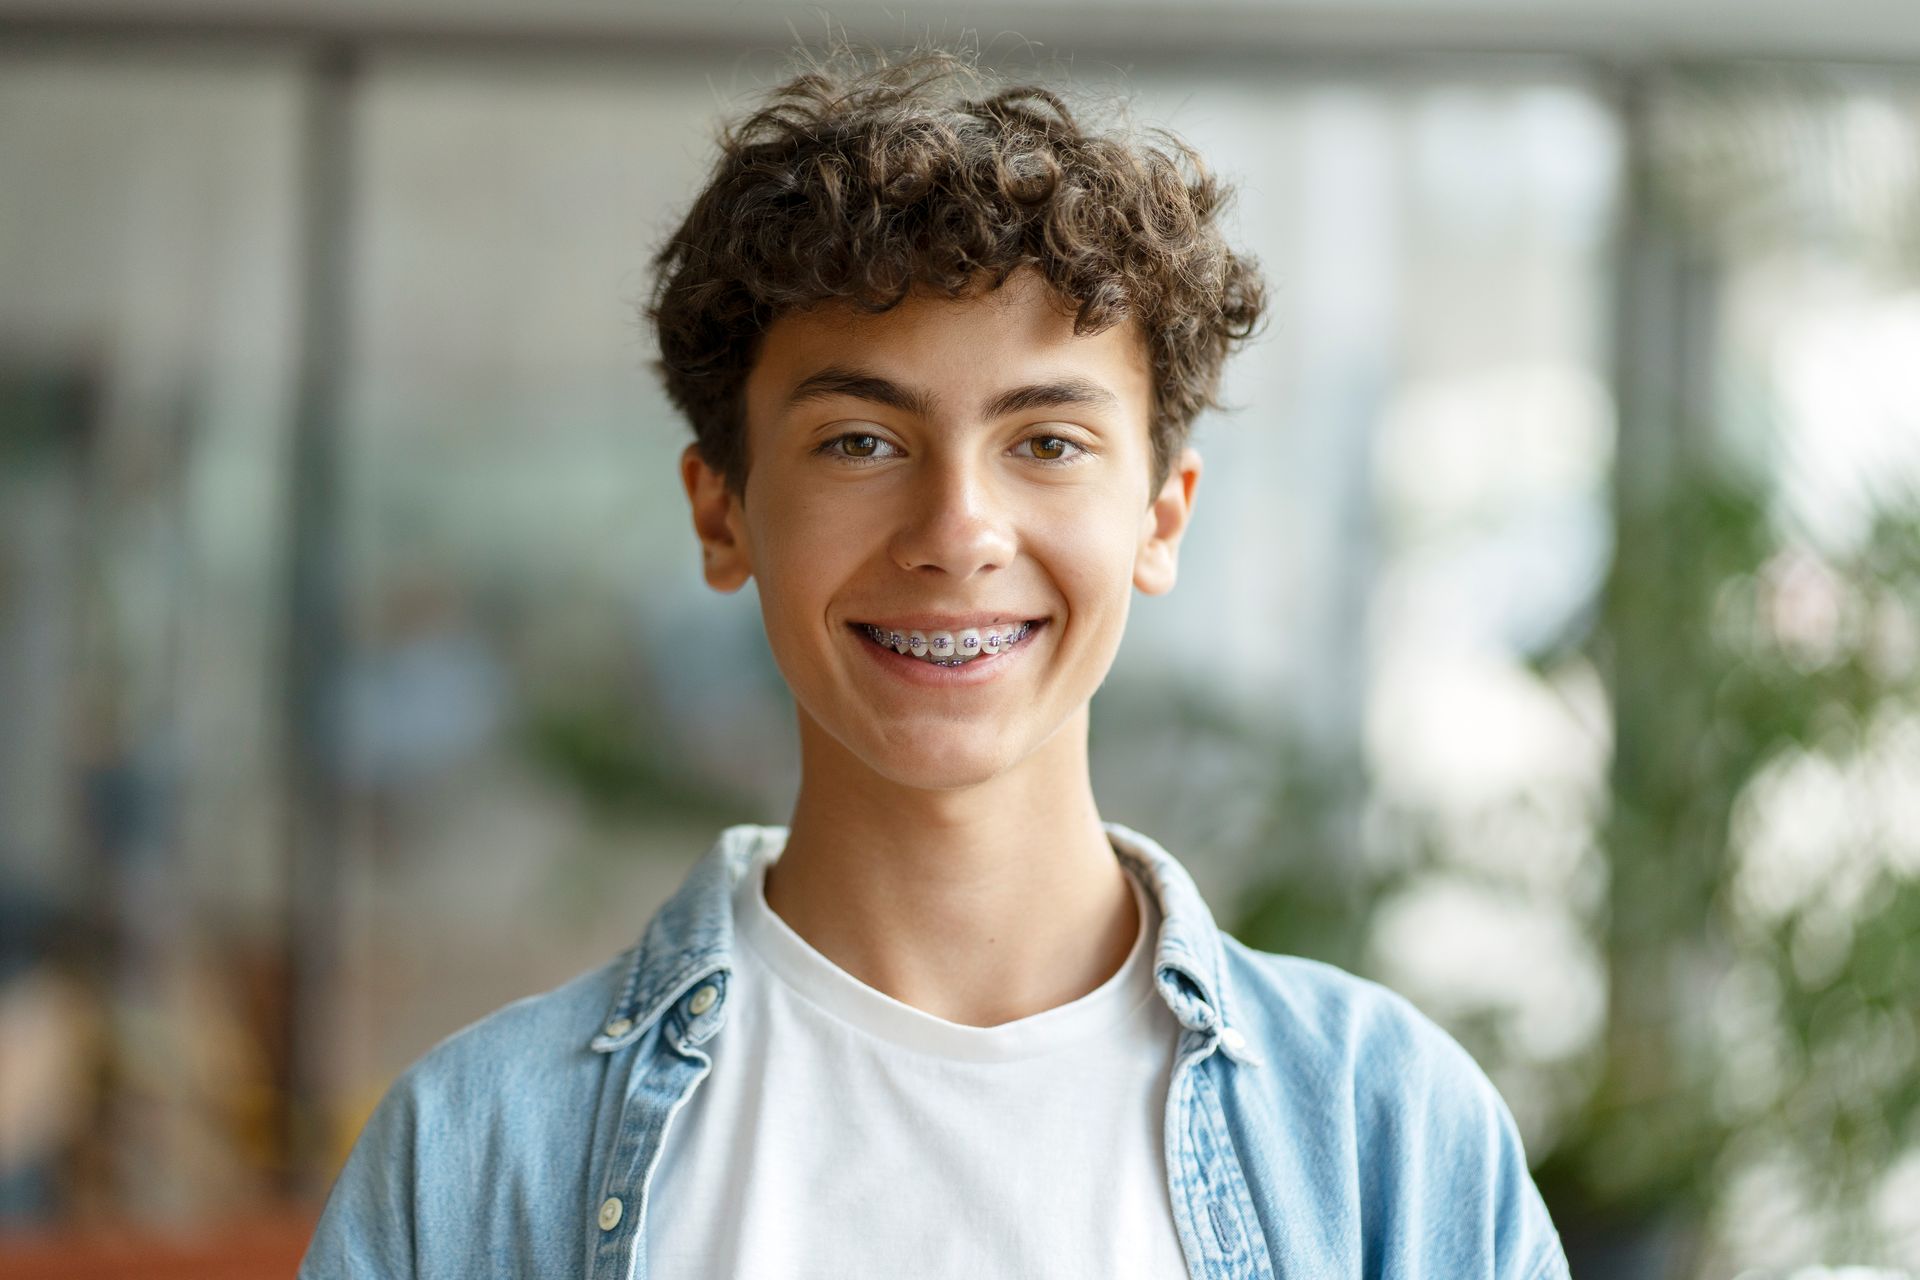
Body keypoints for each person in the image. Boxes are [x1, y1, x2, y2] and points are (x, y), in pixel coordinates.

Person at [299, 45, 1571, 1280]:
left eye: (1049, 442)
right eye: (860, 440)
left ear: (1162, 515)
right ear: (722, 510)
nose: (958, 532)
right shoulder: (476, 1158)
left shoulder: (1382, 1132)